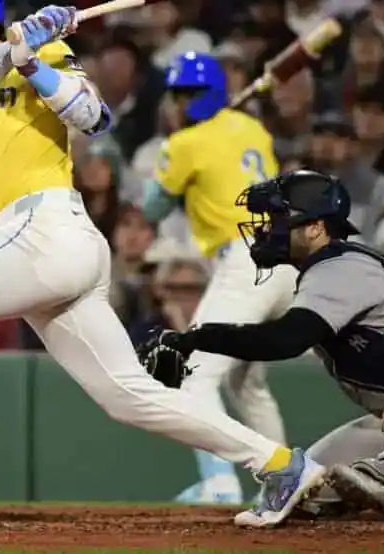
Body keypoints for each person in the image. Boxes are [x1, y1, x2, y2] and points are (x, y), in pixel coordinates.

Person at [0, 0, 325, 527]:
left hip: (49, 226)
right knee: (129, 395)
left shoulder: (43, 53)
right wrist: (15, 49)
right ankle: (280, 462)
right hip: (23, 243)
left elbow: (93, 117)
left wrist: (34, 59)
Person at [138, 170, 384, 522]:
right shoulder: (321, 271)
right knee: (304, 488)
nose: (268, 228)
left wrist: (195, 338)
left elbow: (285, 340)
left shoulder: (340, 267)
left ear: (316, 228)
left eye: (280, 218)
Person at [140, 52, 291, 505]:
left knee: (193, 373)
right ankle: (284, 480)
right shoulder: (252, 128)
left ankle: (220, 482)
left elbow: (152, 208)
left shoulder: (185, 143)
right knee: (247, 383)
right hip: (288, 258)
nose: (178, 103)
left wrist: (173, 153)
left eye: (184, 96)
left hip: (246, 259)